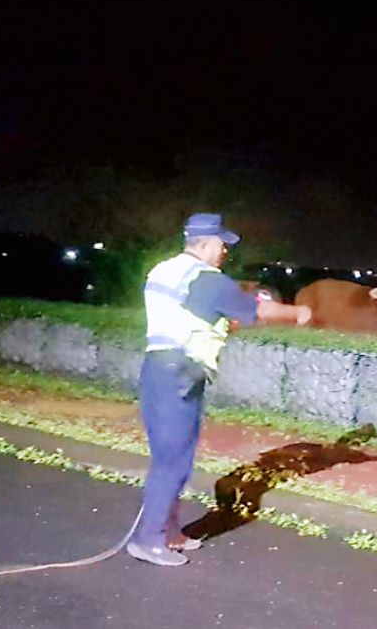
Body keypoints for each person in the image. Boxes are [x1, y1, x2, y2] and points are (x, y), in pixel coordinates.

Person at [126, 213, 311, 566]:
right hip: (178, 374)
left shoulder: (165, 270)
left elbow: (196, 316)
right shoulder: (207, 279)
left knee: (174, 457)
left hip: (160, 371)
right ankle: (148, 540)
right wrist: (298, 312)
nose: (224, 251)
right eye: (222, 245)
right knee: (172, 462)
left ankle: (168, 532)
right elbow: (259, 310)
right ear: (207, 243)